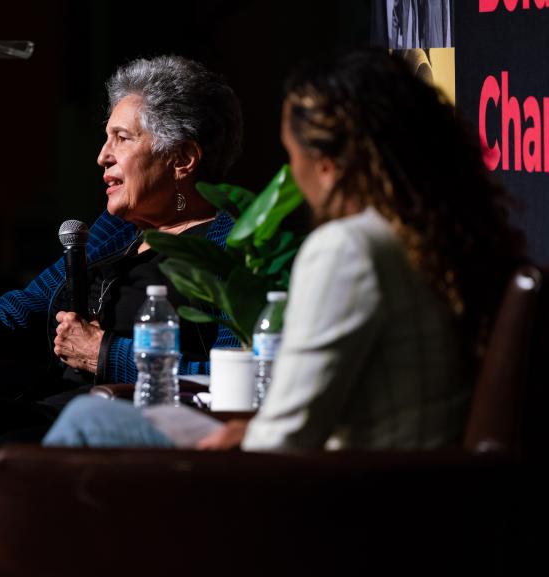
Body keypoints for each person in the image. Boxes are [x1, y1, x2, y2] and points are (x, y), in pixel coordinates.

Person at [0, 54, 244, 577]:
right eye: (106, 138)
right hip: (48, 404)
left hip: (119, 424)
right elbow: (26, 311)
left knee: (3, 458)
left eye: (122, 139)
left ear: (183, 159)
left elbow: (235, 379)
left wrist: (107, 355)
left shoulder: (232, 249)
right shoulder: (113, 231)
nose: (102, 156)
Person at [38, 49, 526, 456]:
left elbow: (287, 434)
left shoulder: (347, 249)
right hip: (410, 485)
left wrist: (230, 437)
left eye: (292, 157)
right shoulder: (448, 240)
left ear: (329, 165)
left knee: (87, 421)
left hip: (332, 495)